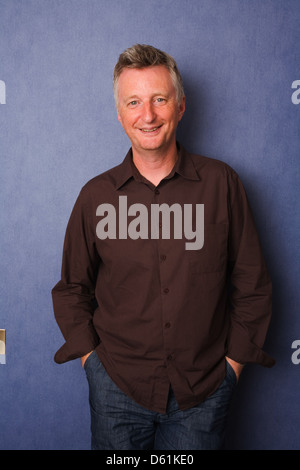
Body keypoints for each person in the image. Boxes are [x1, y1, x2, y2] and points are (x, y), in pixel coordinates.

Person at [52, 44, 275, 450]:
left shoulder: (222, 184)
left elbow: (252, 284)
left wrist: (232, 368)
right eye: (134, 102)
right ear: (120, 114)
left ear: (181, 106)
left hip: (204, 392)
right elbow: (71, 290)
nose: (148, 115)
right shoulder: (95, 197)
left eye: (159, 99)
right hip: (117, 390)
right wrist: (93, 364)